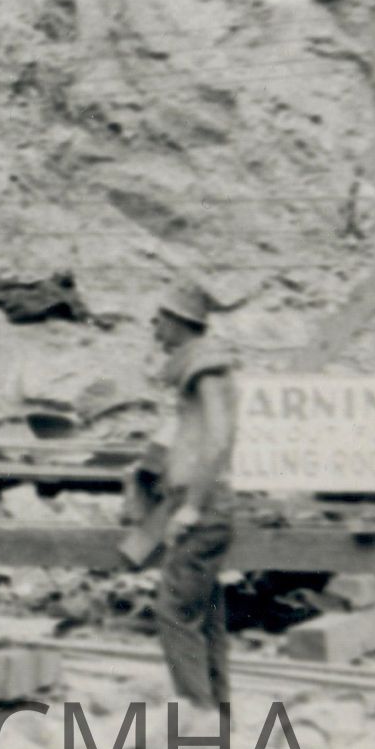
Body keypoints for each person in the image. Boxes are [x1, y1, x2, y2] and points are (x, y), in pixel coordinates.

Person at [140, 278, 238, 710]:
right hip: (201, 502)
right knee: (205, 617)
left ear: (180, 321)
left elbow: (218, 440)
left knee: (174, 612)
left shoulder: (206, 370)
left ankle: (199, 716)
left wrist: (193, 507)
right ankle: (217, 721)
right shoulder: (200, 368)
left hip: (205, 505)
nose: (155, 327)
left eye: (160, 319)